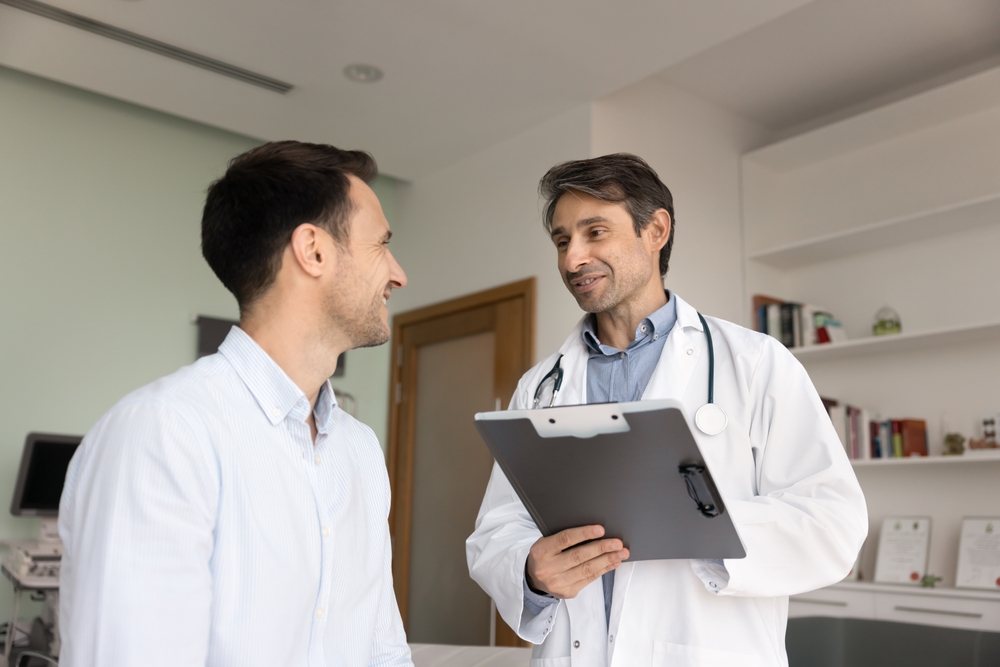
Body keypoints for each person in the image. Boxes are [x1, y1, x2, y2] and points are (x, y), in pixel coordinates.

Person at [466, 153, 867, 667]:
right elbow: (497, 528)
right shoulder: (541, 386)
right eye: (563, 241)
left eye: (595, 232)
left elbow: (832, 521)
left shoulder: (755, 363)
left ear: (655, 230)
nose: (572, 259)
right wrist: (530, 571)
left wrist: (703, 526)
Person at [58, 141, 412, 667]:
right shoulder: (162, 433)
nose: (398, 274)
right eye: (381, 244)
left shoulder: (359, 451)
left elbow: (382, 647)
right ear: (313, 250)